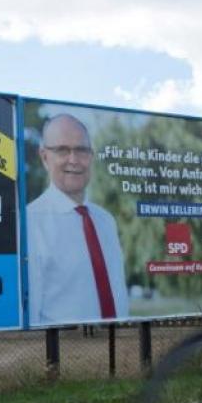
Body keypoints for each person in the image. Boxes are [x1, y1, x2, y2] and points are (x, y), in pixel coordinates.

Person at [27, 113, 129, 326]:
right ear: (45, 157)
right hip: (63, 346)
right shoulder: (29, 224)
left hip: (119, 342)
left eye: (81, 150)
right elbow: (29, 317)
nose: (73, 160)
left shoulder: (106, 221)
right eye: (62, 150)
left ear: (91, 156)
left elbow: (119, 294)